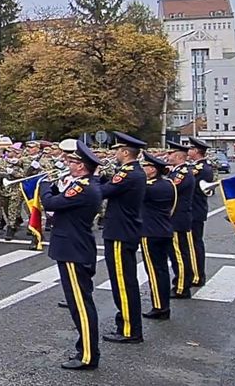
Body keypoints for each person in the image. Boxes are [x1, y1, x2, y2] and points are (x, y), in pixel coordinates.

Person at [42, 140, 102, 371]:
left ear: (81, 166)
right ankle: (85, 348)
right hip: (75, 246)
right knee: (79, 304)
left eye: (72, 161)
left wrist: (45, 185)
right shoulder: (83, 185)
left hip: (73, 249)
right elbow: (62, 202)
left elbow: (50, 202)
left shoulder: (83, 188)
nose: (67, 164)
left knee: (81, 306)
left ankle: (88, 355)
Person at [98, 132, 146, 345]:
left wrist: (93, 176)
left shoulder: (128, 174)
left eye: (118, 150)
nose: (115, 154)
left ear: (126, 152)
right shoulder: (132, 172)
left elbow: (104, 191)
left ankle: (129, 329)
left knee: (123, 282)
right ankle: (128, 325)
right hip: (123, 229)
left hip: (120, 231)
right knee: (124, 280)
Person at [139, 151, 175, 321]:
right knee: (162, 270)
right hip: (164, 230)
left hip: (150, 232)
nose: (142, 169)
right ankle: (164, 305)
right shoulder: (168, 184)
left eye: (145, 166)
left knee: (153, 271)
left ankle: (159, 307)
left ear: (153, 170)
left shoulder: (148, 188)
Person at [165, 141, 195, 299]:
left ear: (178, 156)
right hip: (176, 217)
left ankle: (182, 287)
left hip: (178, 218)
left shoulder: (182, 173)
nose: (168, 156)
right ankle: (181, 283)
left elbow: (170, 189)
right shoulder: (177, 171)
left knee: (178, 254)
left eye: (170, 154)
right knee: (177, 253)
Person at [187, 136, 214, 287]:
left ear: (196, 151)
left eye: (190, 148)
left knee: (194, 244)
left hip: (194, 210)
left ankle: (197, 276)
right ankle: (195, 273)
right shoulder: (200, 166)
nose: (188, 150)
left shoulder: (200, 168)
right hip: (196, 209)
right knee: (193, 243)